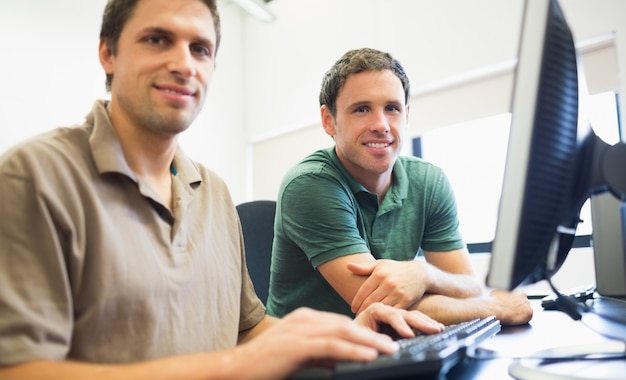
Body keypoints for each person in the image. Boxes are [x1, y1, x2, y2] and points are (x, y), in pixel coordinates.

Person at [0, 3, 447, 379]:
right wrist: (236, 366)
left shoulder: (212, 192)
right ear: (108, 54)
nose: (183, 63)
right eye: (157, 39)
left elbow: (247, 330)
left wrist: (340, 332)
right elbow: (18, 370)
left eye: (200, 49)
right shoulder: (36, 176)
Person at [266, 47, 533, 327]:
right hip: (310, 361)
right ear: (329, 120)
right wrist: (497, 309)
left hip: (390, 350)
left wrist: (423, 274)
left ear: (405, 116)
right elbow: (380, 309)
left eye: (391, 108)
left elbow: (469, 286)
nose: (381, 125)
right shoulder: (310, 184)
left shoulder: (428, 182)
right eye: (361, 109)